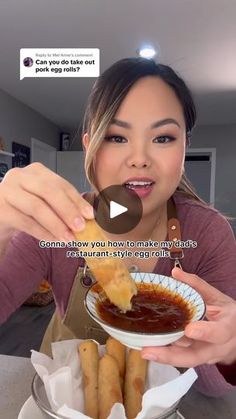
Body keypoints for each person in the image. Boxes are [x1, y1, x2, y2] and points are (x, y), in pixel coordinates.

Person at [0, 57, 236, 397]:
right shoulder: (55, 223)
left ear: (185, 146)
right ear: (89, 147)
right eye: (116, 137)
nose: (139, 157)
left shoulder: (207, 233)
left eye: (163, 137)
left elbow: (215, 389)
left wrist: (229, 349)